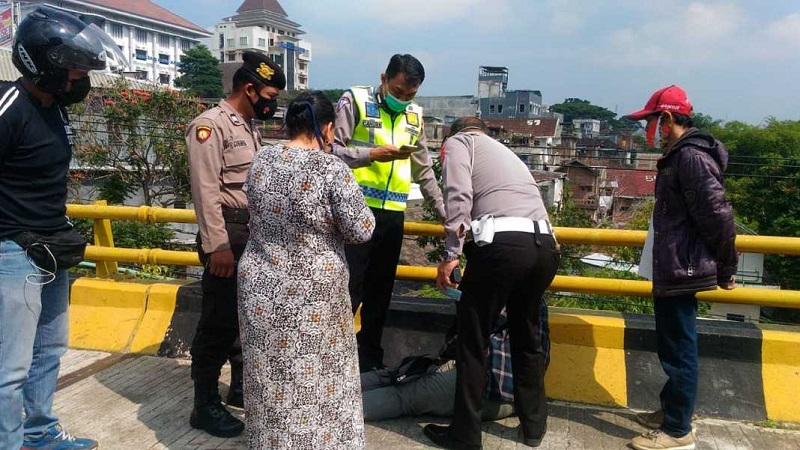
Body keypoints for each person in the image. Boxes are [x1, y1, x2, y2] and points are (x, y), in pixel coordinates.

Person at [0, 6, 127, 449]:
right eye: (73, 68)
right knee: (9, 367)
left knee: (50, 350)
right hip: (12, 250)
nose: (80, 77)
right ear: (42, 63)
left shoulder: (54, 108)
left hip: (51, 244)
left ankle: (39, 433)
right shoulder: (9, 106)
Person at [237, 91, 375, 449]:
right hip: (312, 294)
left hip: (260, 287)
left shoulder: (262, 158)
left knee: (269, 376)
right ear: (327, 128)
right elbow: (362, 229)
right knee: (318, 377)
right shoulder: (331, 169)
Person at [423, 118, 560, 450]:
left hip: (503, 249)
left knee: (473, 341)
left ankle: (465, 436)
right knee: (526, 335)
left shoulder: (460, 144)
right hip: (545, 248)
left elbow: (458, 196)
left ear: (451, 133)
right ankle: (534, 427)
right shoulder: (504, 152)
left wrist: (452, 255)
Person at [625, 85, 737, 450]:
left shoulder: (690, 157)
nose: (650, 132)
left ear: (668, 119)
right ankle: (672, 410)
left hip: (682, 267)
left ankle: (677, 431)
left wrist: (726, 266)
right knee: (673, 344)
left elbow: (717, 215)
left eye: (652, 122)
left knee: (679, 348)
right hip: (675, 265)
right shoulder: (681, 155)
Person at [185, 51, 285, 438]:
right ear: (249, 88)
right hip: (227, 234)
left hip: (251, 235)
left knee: (246, 318)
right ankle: (204, 404)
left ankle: (241, 387)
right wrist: (217, 246)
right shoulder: (210, 126)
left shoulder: (247, 125)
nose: (272, 103)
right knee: (218, 320)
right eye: (270, 94)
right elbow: (205, 191)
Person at [332, 54, 446, 373]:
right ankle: (335, 355)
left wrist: (444, 214)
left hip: (393, 214)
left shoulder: (415, 116)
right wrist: (369, 155)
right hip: (354, 208)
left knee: (381, 292)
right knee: (348, 287)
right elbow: (331, 149)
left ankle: (369, 358)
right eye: (397, 91)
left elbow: (425, 172)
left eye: (410, 95)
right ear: (384, 77)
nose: (403, 99)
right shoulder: (353, 99)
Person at [361, 303, 551, 422]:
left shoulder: (495, 289)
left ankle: (339, 410)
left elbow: (461, 340)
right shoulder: (536, 298)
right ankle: (338, 393)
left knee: (403, 393)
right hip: (516, 397)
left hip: (486, 393)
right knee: (399, 373)